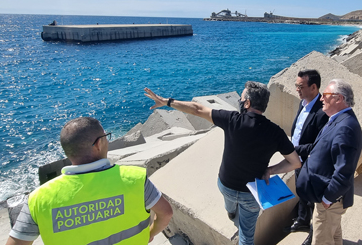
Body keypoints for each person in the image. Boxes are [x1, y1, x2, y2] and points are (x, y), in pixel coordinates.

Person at [144, 82, 301, 245]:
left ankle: (231, 212)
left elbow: (197, 109)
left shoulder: (232, 120)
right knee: (246, 237)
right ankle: (234, 214)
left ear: (247, 103)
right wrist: (270, 170)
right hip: (252, 193)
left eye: (241, 98)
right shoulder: (276, 132)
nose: (240, 101)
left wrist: (167, 102)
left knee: (230, 205)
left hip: (226, 185)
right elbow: (295, 163)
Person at [6, 117, 173, 245]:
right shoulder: (134, 178)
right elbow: (166, 213)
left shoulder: (37, 199)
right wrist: (150, 233)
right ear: (99, 144)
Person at [296, 79, 362, 245]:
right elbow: (320, 147)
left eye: (325, 95)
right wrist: (293, 149)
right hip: (330, 200)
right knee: (334, 236)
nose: (321, 99)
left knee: (322, 241)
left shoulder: (346, 127)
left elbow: (344, 171)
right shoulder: (337, 119)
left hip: (330, 201)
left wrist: (327, 198)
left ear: (338, 99)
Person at [284, 70, 328, 240]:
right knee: (301, 192)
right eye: (296, 86)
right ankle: (302, 220)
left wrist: (296, 150)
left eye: (300, 86)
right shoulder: (303, 102)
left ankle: (312, 234)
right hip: (297, 159)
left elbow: (319, 146)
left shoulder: (323, 112)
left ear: (314, 87)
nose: (297, 89)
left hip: (310, 163)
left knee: (312, 200)